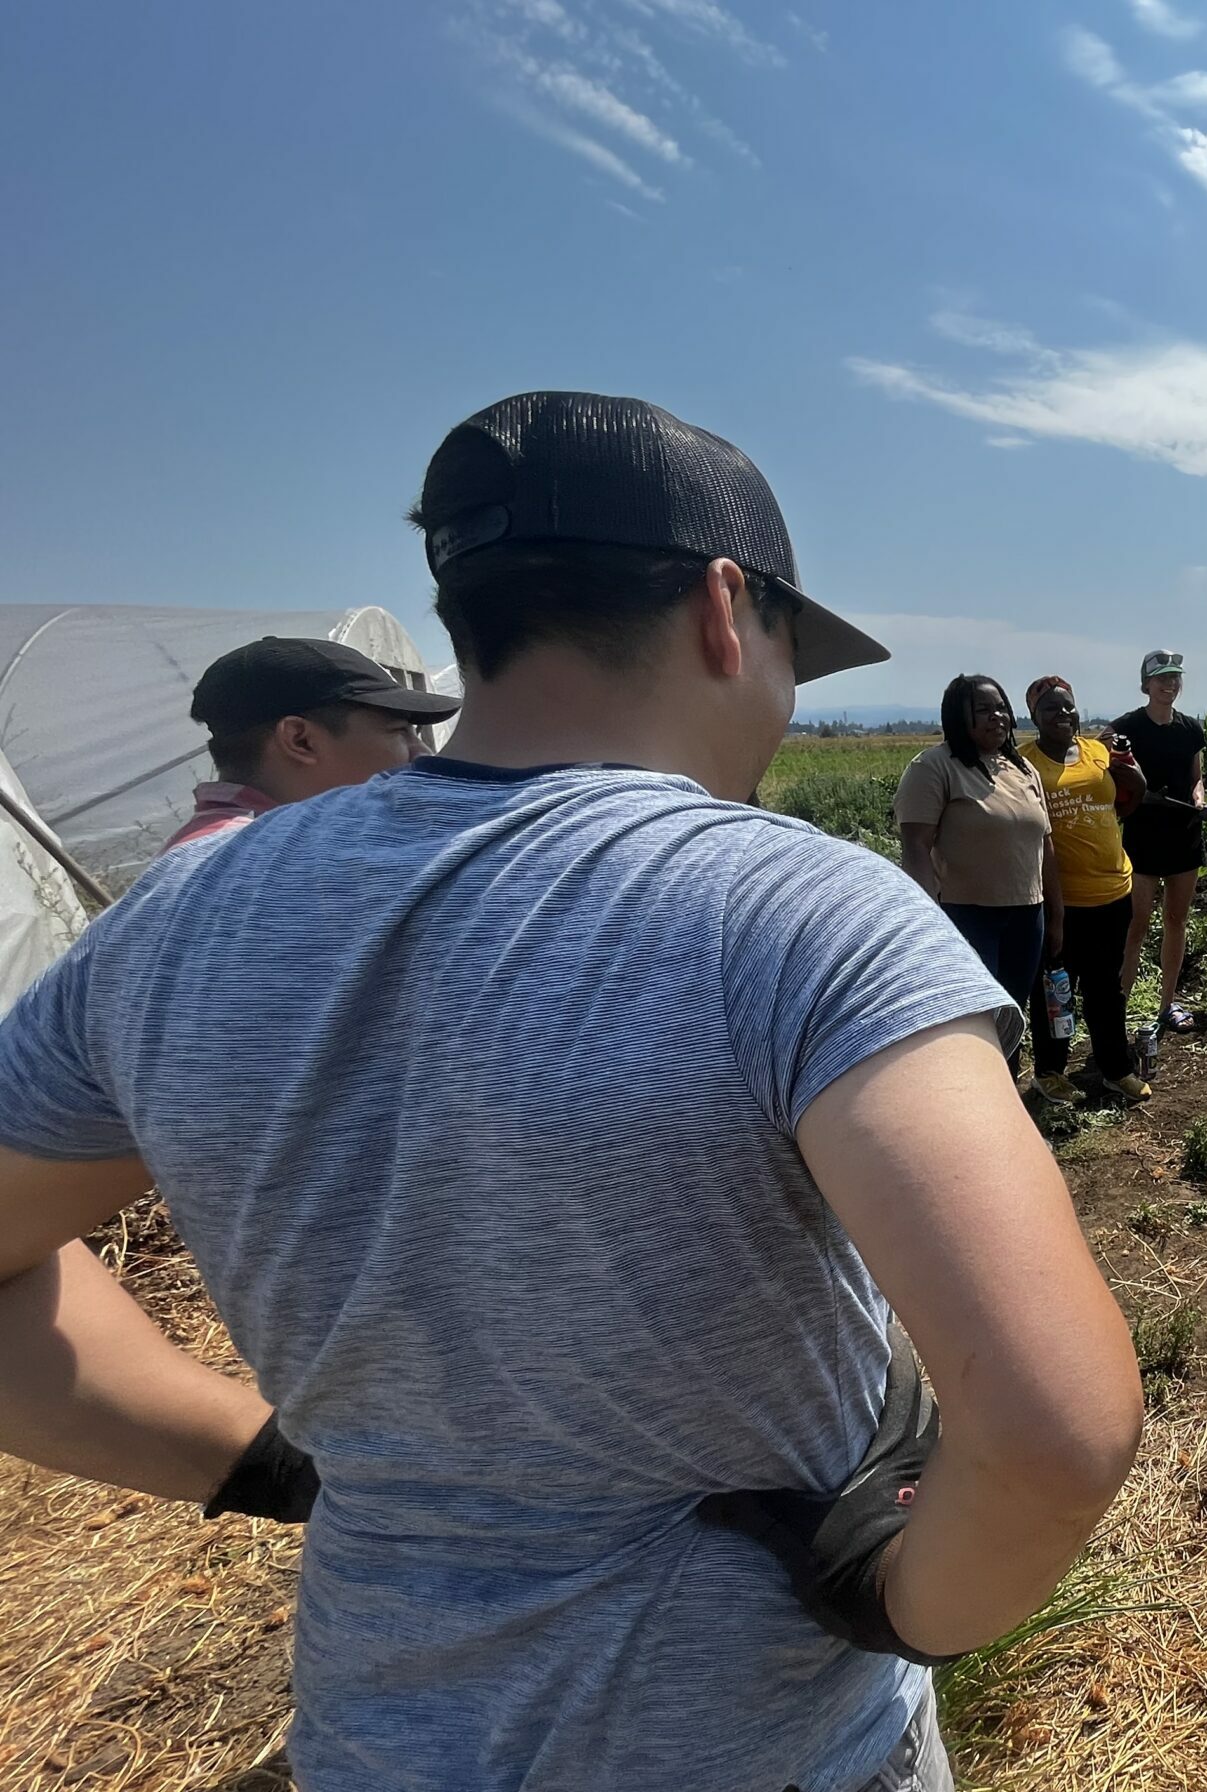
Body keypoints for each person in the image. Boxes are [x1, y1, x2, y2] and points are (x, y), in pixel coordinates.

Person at [0, 391, 1143, 1792]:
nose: (785, 702)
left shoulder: (177, 925)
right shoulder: (790, 908)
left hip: (382, 1746)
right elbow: (1057, 1430)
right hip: (764, 1748)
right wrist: (909, 1603)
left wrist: (269, 1464)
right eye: (792, 651)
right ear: (727, 610)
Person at [895, 675, 1064, 1074]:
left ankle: (1007, 1102)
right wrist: (928, 919)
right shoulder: (935, 767)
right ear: (958, 716)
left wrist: (1056, 914)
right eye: (983, 710)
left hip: (1027, 914)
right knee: (975, 1019)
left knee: (1012, 1015)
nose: (997, 717)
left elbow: (1046, 846)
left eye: (1001, 708)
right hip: (967, 916)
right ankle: (969, 1107)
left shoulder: (1021, 768)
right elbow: (916, 848)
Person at [165, 637, 460, 851]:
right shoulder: (270, 867)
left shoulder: (197, 856)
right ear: (300, 740)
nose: (422, 753)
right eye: (399, 732)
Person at [1021, 675, 1150, 1103]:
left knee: (1106, 988)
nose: (1062, 714)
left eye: (1067, 706)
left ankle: (1115, 1069)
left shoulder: (1097, 751)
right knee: (1057, 987)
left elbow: (1132, 791)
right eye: (1051, 709)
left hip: (1114, 890)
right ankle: (1051, 1071)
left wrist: (1131, 770)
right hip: (1061, 900)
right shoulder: (1024, 764)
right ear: (1034, 717)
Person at [1113, 649, 1207, 1035]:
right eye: (1162, 678)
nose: (1170, 684)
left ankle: (1167, 1004)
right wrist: (1135, 795)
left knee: (1176, 920)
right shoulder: (1126, 727)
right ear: (1146, 685)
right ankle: (1117, 1004)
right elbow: (1108, 771)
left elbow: (1196, 778)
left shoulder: (1190, 730)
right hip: (1142, 837)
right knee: (1135, 924)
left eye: (1175, 678)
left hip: (1184, 835)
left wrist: (1199, 800)